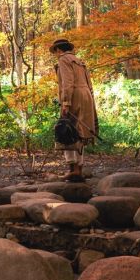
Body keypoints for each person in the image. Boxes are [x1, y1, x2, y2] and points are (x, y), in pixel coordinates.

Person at [52, 38, 98, 181]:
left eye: (55, 52)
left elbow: (67, 82)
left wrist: (66, 102)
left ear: (59, 50)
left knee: (66, 130)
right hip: (86, 96)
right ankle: (79, 168)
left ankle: (73, 169)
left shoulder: (64, 60)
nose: (56, 54)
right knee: (81, 133)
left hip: (74, 96)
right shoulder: (80, 61)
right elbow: (89, 84)